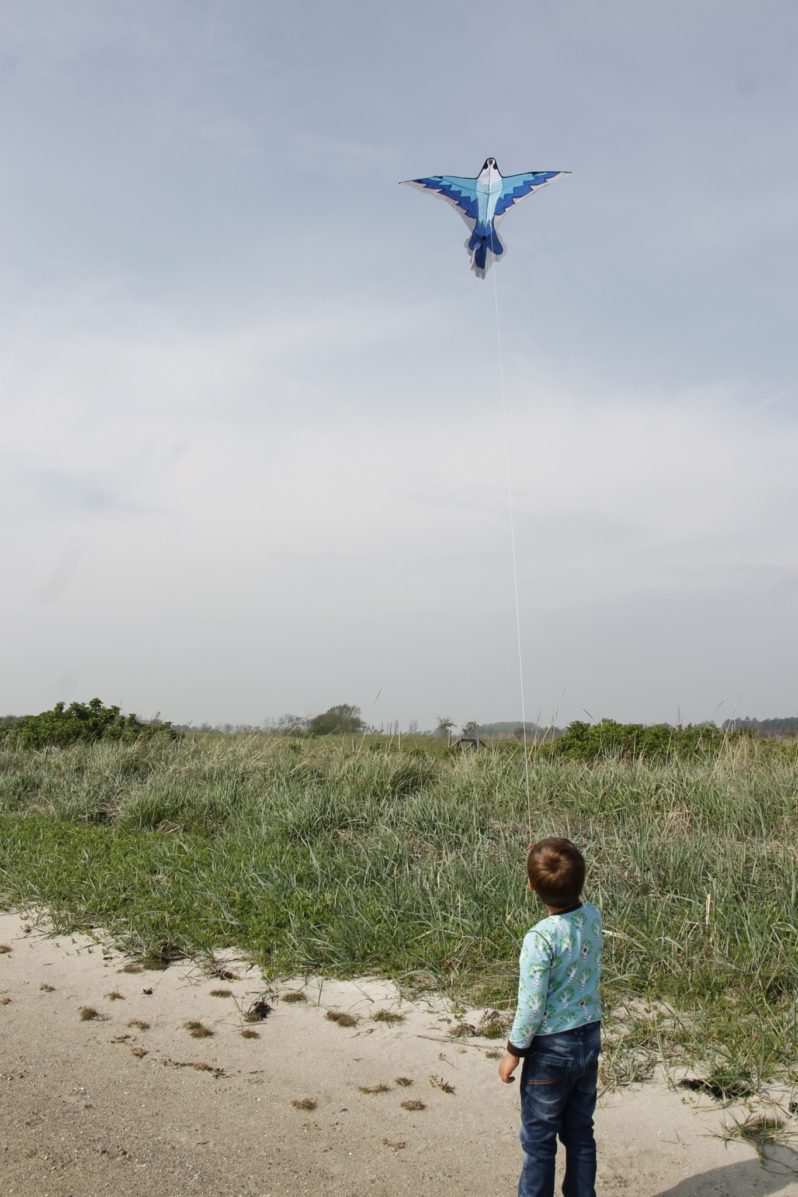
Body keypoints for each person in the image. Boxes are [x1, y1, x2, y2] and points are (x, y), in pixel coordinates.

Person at [498, 837, 602, 1197]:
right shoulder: (593, 916)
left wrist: (514, 1051)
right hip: (589, 1039)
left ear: (530, 886)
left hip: (549, 1050)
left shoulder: (539, 939)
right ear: (582, 879)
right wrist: (541, 860)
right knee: (579, 1132)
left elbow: (531, 1006)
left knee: (539, 1140)